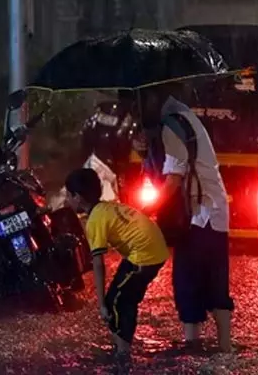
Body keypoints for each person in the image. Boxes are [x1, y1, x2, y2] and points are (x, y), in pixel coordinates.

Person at [136, 83, 234, 353]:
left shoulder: (171, 126)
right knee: (203, 280)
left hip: (200, 215)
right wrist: (145, 152)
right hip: (210, 213)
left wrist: (143, 212)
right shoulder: (183, 117)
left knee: (194, 280)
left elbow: (171, 180)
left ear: (151, 99)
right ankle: (217, 348)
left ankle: (204, 347)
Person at [64, 168, 169, 356]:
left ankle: (123, 353)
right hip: (153, 248)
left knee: (116, 302)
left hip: (145, 255)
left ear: (78, 197)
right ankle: (122, 345)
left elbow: (98, 264)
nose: (67, 201)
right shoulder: (106, 208)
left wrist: (101, 303)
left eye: (68, 195)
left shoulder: (95, 220)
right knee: (124, 296)